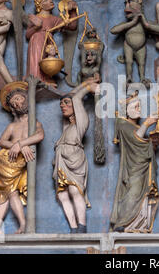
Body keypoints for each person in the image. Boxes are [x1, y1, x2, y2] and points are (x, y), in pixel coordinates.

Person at [0, 82, 45, 234]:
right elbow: (1, 142)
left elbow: (40, 135)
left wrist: (21, 144)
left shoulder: (35, 123)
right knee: (10, 192)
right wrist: (18, 145)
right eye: (13, 102)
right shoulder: (12, 126)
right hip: (6, 161)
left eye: (18, 99)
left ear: (26, 100)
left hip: (18, 164)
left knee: (8, 193)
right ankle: (21, 224)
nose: (16, 103)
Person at [53, 77, 99, 233]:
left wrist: (88, 86)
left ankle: (82, 226)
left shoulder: (81, 122)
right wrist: (85, 84)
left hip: (74, 159)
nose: (62, 106)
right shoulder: (67, 125)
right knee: (62, 195)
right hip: (61, 161)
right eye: (61, 104)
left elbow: (76, 97)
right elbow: (71, 94)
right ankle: (74, 228)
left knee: (74, 191)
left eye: (66, 103)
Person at [110, 92, 159, 233]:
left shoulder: (137, 127)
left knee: (144, 195)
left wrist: (153, 144)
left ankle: (140, 225)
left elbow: (142, 146)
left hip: (144, 168)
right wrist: (147, 123)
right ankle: (126, 224)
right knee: (133, 193)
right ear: (126, 110)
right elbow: (134, 141)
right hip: (133, 169)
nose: (139, 109)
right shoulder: (122, 124)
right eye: (136, 106)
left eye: (140, 107)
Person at [26, 0, 78, 85]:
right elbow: (28, 35)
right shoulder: (35, 18)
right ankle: (36, 79)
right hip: (37, 40)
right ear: (40, 5)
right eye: (46, 0)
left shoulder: (54, 19)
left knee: (48, 62)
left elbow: (72, 26)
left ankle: (45, 79)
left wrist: (73, 11)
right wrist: (36, 27)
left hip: (49, 43)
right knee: (37, 58)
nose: (51, 1)